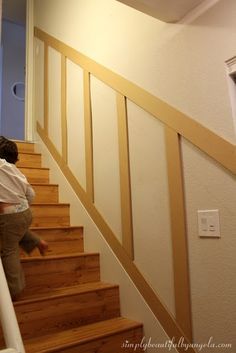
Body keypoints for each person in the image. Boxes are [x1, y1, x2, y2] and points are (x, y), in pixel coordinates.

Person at [0, 137, 48, 300]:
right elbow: (31, 194)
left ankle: (15, 289)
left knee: (8, 250)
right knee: (17, 232)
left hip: (10, 217)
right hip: (25, 213)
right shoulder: (15, 171)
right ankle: (37, 242)